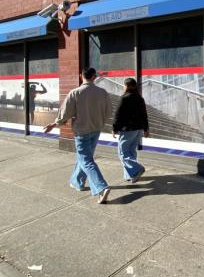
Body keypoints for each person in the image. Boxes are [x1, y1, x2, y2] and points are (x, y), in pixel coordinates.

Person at [43, 67, 112, 204]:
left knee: (86, 160)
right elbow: (109, 112)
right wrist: (101, 122)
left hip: (81, 131)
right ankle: (77, 182)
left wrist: (54, 124)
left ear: (81, 76)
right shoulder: (103, 93)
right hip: (96, 129)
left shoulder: (75, 93)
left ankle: (101, 187)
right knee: (84, 157)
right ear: (94, 76)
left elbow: (65, 113)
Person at [112, 78, 149, 183]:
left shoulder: (124, 98)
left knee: (123, 153)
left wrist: (115, 128)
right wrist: (146, 129)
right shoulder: (140, 98)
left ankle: (137, 169)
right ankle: (130, 175)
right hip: (138, 130)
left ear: (126, 86)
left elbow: (118, 115)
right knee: (131, 152)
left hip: (128, 129)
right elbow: (144, 115)